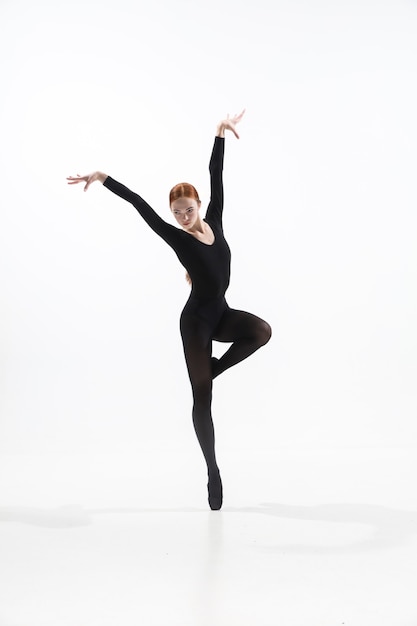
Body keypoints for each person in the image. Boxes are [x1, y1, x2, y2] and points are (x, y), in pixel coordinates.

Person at [67, 110, 271, 510]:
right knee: (202, 395)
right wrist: (104, 179)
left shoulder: (216, 219)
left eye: (186, 208)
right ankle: (212, 470)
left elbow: (216, 176)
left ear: (197, 203)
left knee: (261, 331)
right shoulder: (178, 239)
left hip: (221, 313)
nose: (181, 216)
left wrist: (218, 134)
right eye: (176, 212)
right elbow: (140, 205)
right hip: (195, 322)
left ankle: (216, 366)